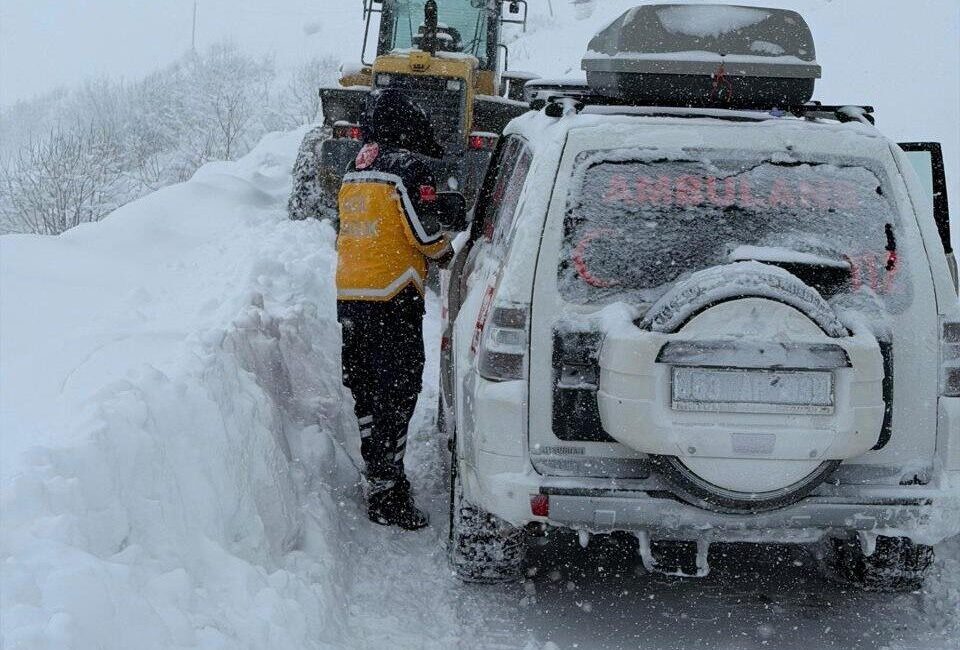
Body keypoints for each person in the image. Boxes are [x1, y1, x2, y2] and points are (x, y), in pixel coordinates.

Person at [335, 89, 451, 530]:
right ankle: (387, 492)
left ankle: (379, 471)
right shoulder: (406, 167)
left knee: (365, 388)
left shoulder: (353, 167)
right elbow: (424, 235)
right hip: (392, 296)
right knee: (399, 390)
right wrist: (447, 251)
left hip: (351, 295)